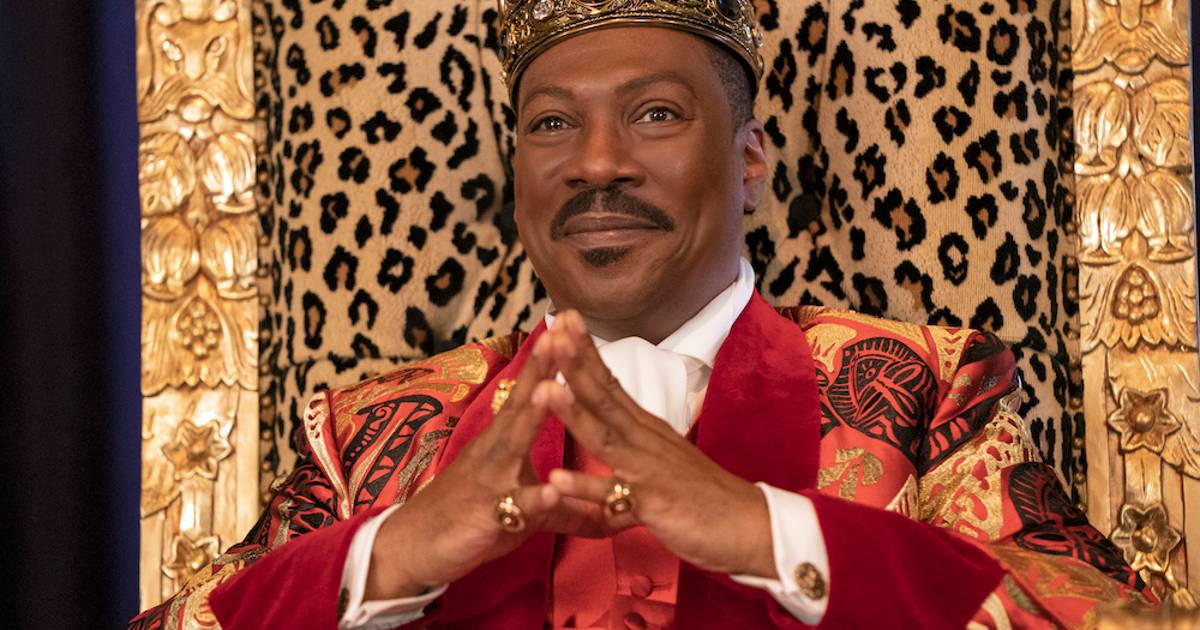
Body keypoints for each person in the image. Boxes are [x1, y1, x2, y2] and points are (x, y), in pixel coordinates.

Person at [131, 1, 1151, 628]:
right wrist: (389, 556)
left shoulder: (922, 385)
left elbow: (1105, 617)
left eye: (655, 114)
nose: (596, 164)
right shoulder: (373, 429)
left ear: (750, 162)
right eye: (550, 124)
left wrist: (761, 530)